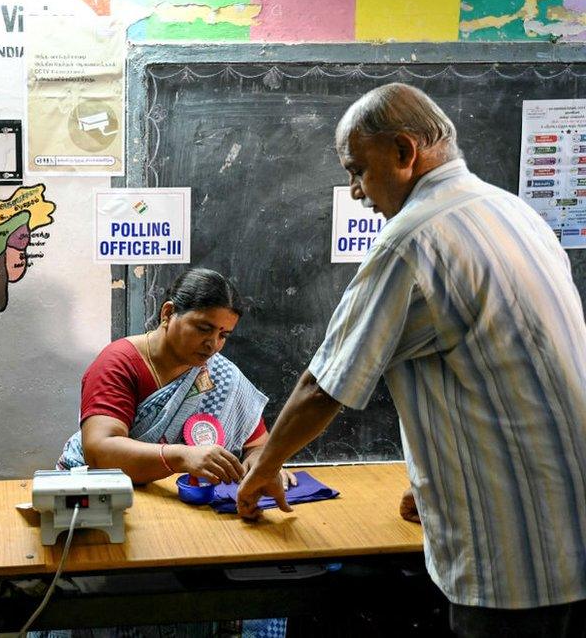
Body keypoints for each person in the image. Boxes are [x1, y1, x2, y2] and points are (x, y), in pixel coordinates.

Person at [237, 83, 586, 637]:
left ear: (404, 152)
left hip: (512, 562)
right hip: (571, 531)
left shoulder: (414, 239)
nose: (354, 190)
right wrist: (438, 484)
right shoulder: (515, 212)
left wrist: (263, 469)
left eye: (357, 170)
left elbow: (325, 384)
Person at [59, 267, 294, 491]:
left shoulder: (220, 373)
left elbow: (257, 445)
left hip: (183, 504)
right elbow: (100, 453)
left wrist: (261, 464)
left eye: (223, 335)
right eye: (203, 328)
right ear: (168, 313)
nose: (213, 344)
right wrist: (181, 456)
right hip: (102, 497)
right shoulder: (119, 364)